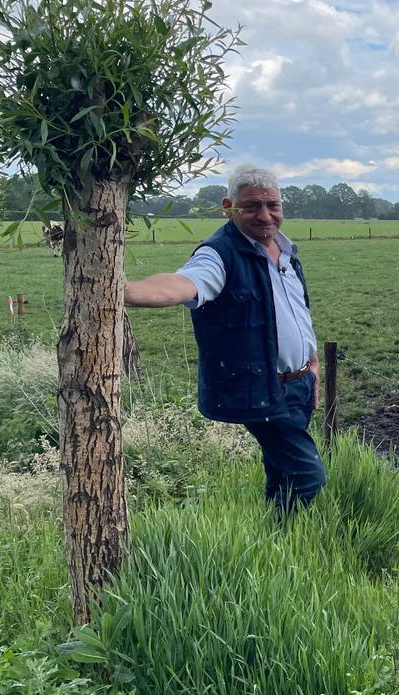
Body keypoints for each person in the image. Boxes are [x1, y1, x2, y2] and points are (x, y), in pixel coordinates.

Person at [125, 164, 325, 512]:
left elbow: (299, 312)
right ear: (228, 206)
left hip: (299, 383)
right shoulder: (219, 253)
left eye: (273, 205)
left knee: (281, 470)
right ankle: (286, 537)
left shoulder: (287, 250)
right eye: (251, 206)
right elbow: (185, 283)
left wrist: (313, 364)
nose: (265, 216)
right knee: (308, 476)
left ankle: (274, 535)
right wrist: (122, 291)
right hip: (264, 389)